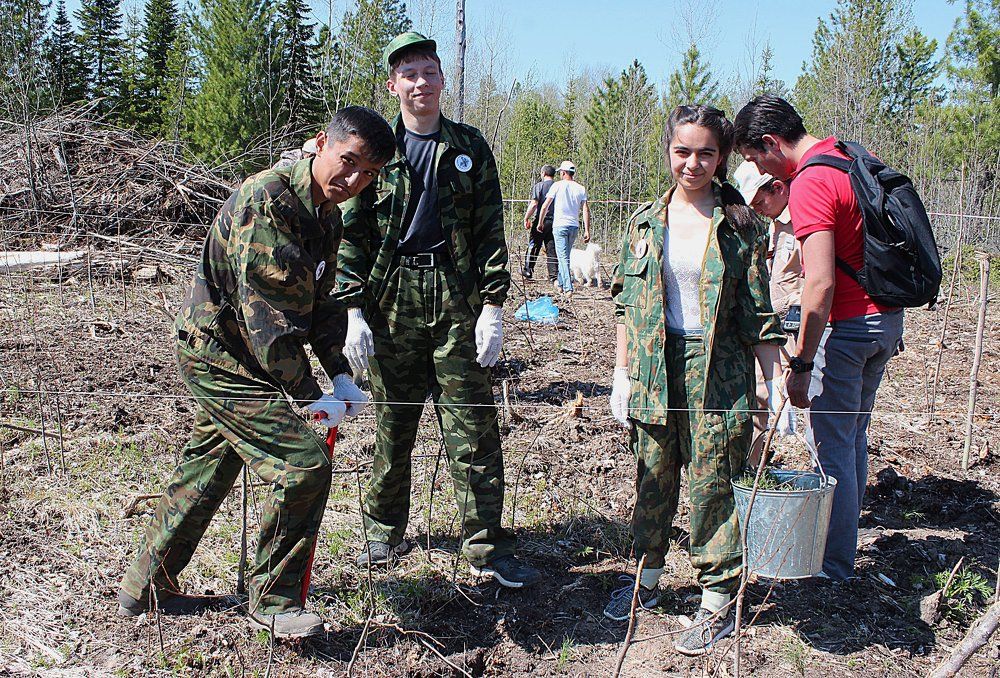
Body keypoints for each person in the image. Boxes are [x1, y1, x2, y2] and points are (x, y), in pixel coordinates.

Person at [117, 107, 396, 639]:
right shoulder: (268, 200)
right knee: (303, 465)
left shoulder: (326, 214)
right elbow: (269, 315)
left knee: (208, 469)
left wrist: (340, 373)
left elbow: (318, 305)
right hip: (218, 355)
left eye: (367, 173)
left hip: (248, 358)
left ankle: (145, 586)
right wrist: (311, 394)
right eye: (348, 161)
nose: (353, 179)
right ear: (321, 143)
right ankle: (273, 600)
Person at [335, 32, 540, 588]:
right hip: (392, 296)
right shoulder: (378, 151)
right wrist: (353, 310)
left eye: (429, 71)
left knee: (472, 425)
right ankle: (382, 532)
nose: (420, 83)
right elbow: (354, 233)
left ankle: (487, 546)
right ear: (393, 84)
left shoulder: (468, 147)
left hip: (456, 294)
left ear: (443, 79)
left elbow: (491, 231)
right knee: (392, 420)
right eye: (409, 74)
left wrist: (494, 305)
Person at [608, 105, 784, 655]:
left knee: (713, 483)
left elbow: (758, 313)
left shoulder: (739, 226)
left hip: (719, 372)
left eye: (706, 152)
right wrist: (620, 371)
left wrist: (774, 385)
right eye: (683, 151)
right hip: (655, 367)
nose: (693, 163)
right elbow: (625, 305)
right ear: (669, 151)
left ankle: (716, 600)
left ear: (722, 156)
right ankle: (646, 580)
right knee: (653, 478)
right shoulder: (643, 222)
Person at [733, 95, 905, 581]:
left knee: (831, 443)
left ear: (770, 144)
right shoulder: (846, 156)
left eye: (753, 159)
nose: (757, 169)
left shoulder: (809, 182)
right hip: (885, 322)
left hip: (848, 329)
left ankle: (832, 564)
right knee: (852, 437)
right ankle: (842, 548)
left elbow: (820, 284)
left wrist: (802, 363)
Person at [734, 160, 802, 460]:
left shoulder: (804, 221)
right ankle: (754, 469)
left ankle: (821, 484)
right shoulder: (772, 225)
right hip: (770, 332)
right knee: (762, 398)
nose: (757, 208)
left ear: (777, 188)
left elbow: (814, 283)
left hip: (798, 333)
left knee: (808, 407)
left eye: (760, 201)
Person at [538, 160, 590, 295]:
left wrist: (540, 222)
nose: (560, 174)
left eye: (561, 172)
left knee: (563, 257)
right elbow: (585, 209)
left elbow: (545, 205)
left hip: (560, 225)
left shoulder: (557, 186)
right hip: (574, 226)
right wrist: (587, 229)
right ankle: (560, 284)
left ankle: (568, 288)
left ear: (564, 172)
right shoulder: (580, 188)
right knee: (565, 256)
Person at [521, 164, 559, 282]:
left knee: (534, 245)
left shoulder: (539, 186)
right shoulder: (558, 186)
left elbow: (534, 204)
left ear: (543, 173)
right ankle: (554, 275)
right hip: (555, 221)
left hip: (541, 220)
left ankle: (528, 270)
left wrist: (526, 218)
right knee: (551, 248)